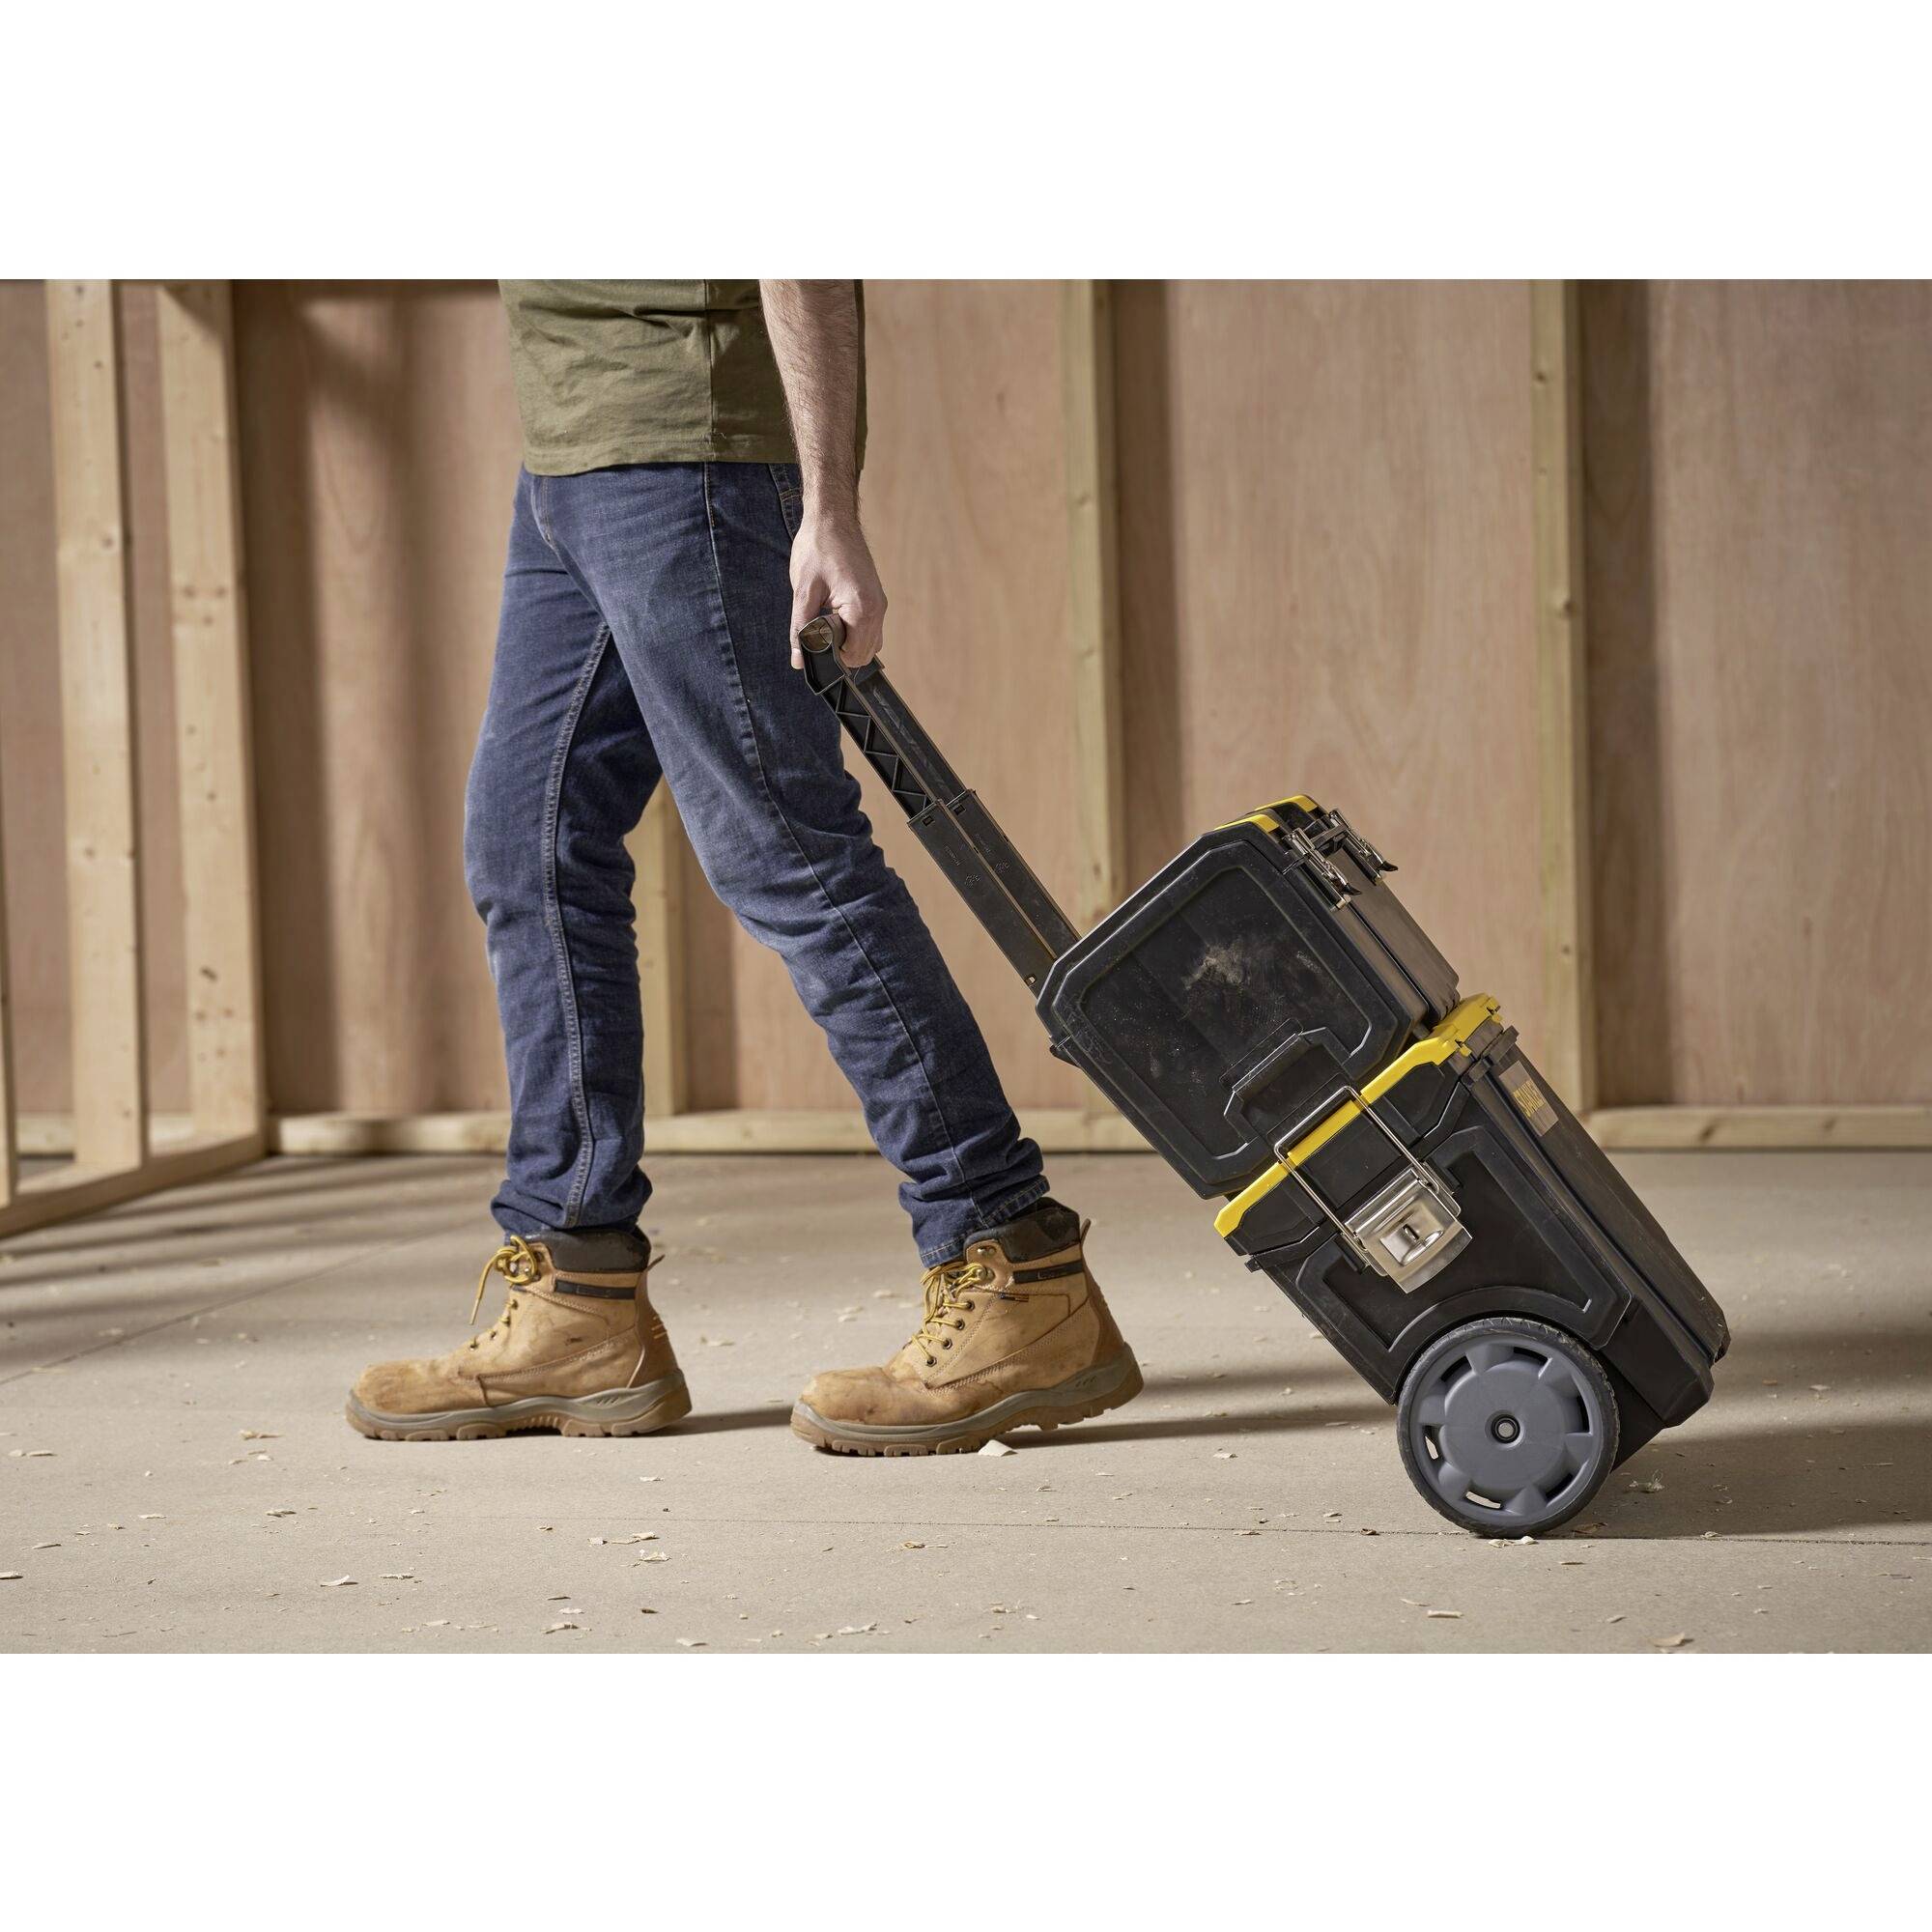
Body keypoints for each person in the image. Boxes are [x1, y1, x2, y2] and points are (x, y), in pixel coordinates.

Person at [346, 281, 1142, 1455]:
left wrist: (828, 504)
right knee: (530, 850)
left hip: (688, 452)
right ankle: (576, 1293)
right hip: (570, 454)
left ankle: (1010, 1259)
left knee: (788, 858)